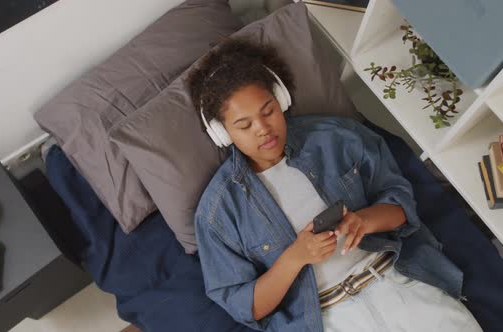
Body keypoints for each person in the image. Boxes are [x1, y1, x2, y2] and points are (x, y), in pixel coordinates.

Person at [187, 38, 482, 331]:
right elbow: (247, 308)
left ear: (282, 99)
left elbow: (401, 203)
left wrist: (364, 221)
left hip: (399, 283)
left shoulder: (336, 138)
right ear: (221, 133)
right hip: (328, 319)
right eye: (244, 125)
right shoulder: (218, 213)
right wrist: (295, 257)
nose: (263, 129)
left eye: (268, 111)